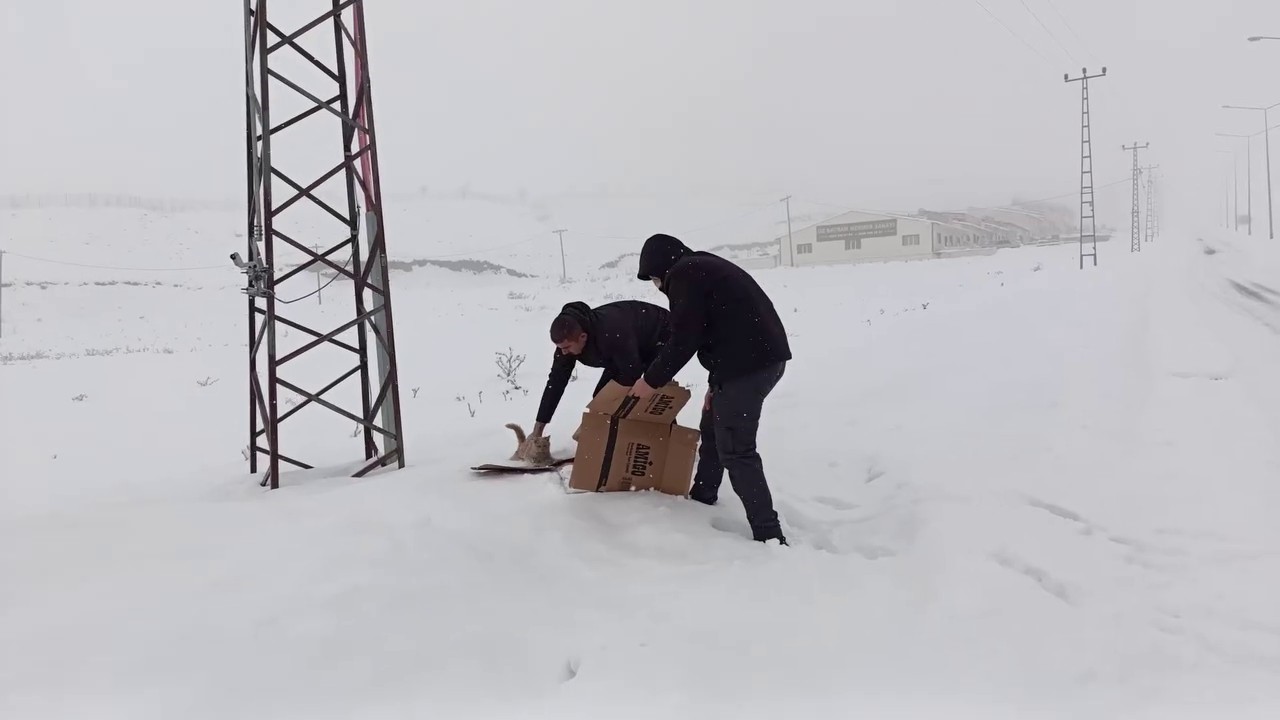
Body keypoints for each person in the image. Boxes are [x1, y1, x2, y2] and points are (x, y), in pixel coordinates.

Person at [628, 233, 792, 545]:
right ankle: (703, 497)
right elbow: (720, 329)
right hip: (753, 361)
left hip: (750, 366)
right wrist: (716, 384)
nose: (656, 286)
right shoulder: (702, 267)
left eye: (652, 279)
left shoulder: (684, 275)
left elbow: (684, 339)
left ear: (659, 270)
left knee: (737, 450)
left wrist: (650, 380)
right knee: (713, 428)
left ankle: (769, 535)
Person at [529, 300, 670, 442]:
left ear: (582, 337)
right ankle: (599, 438)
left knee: (649, 390)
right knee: (601, 397)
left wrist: (597, 415)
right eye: (559, 348)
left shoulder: (611, 333)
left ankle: (665, 440)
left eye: (567, 347)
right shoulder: (567, 342)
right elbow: (556, 382)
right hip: (627, 344)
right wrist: (538, 429)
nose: (563, 352)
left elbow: (632, 372)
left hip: (661, 331)